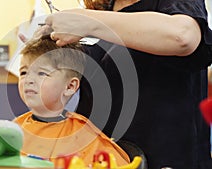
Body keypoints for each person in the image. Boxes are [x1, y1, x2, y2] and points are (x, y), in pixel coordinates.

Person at [43, 0, 212, 169]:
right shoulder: (101, 13)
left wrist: (89, 21)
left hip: (167, 159)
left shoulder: (172, 6)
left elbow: (182, 36)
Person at [13, 35, 130, 166]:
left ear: (70, 87)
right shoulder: (13, 130)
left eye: (41, 73)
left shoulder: (82, 136)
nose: (28, 80)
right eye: (23, 73)